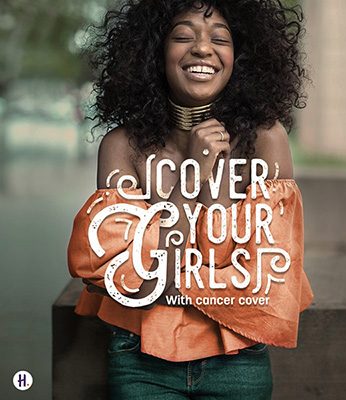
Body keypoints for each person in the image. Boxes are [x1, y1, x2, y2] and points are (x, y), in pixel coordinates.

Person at [67, 0, 314, 398]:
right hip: (139, 358)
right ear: (154, 53)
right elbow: (130, 285)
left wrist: (156, 264)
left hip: (238, 358)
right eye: (183, 36)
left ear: (242, 57)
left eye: (220, 38)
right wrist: (191, 181)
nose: (202, 48)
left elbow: (265, 283)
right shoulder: (122, 147)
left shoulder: (266, 142)